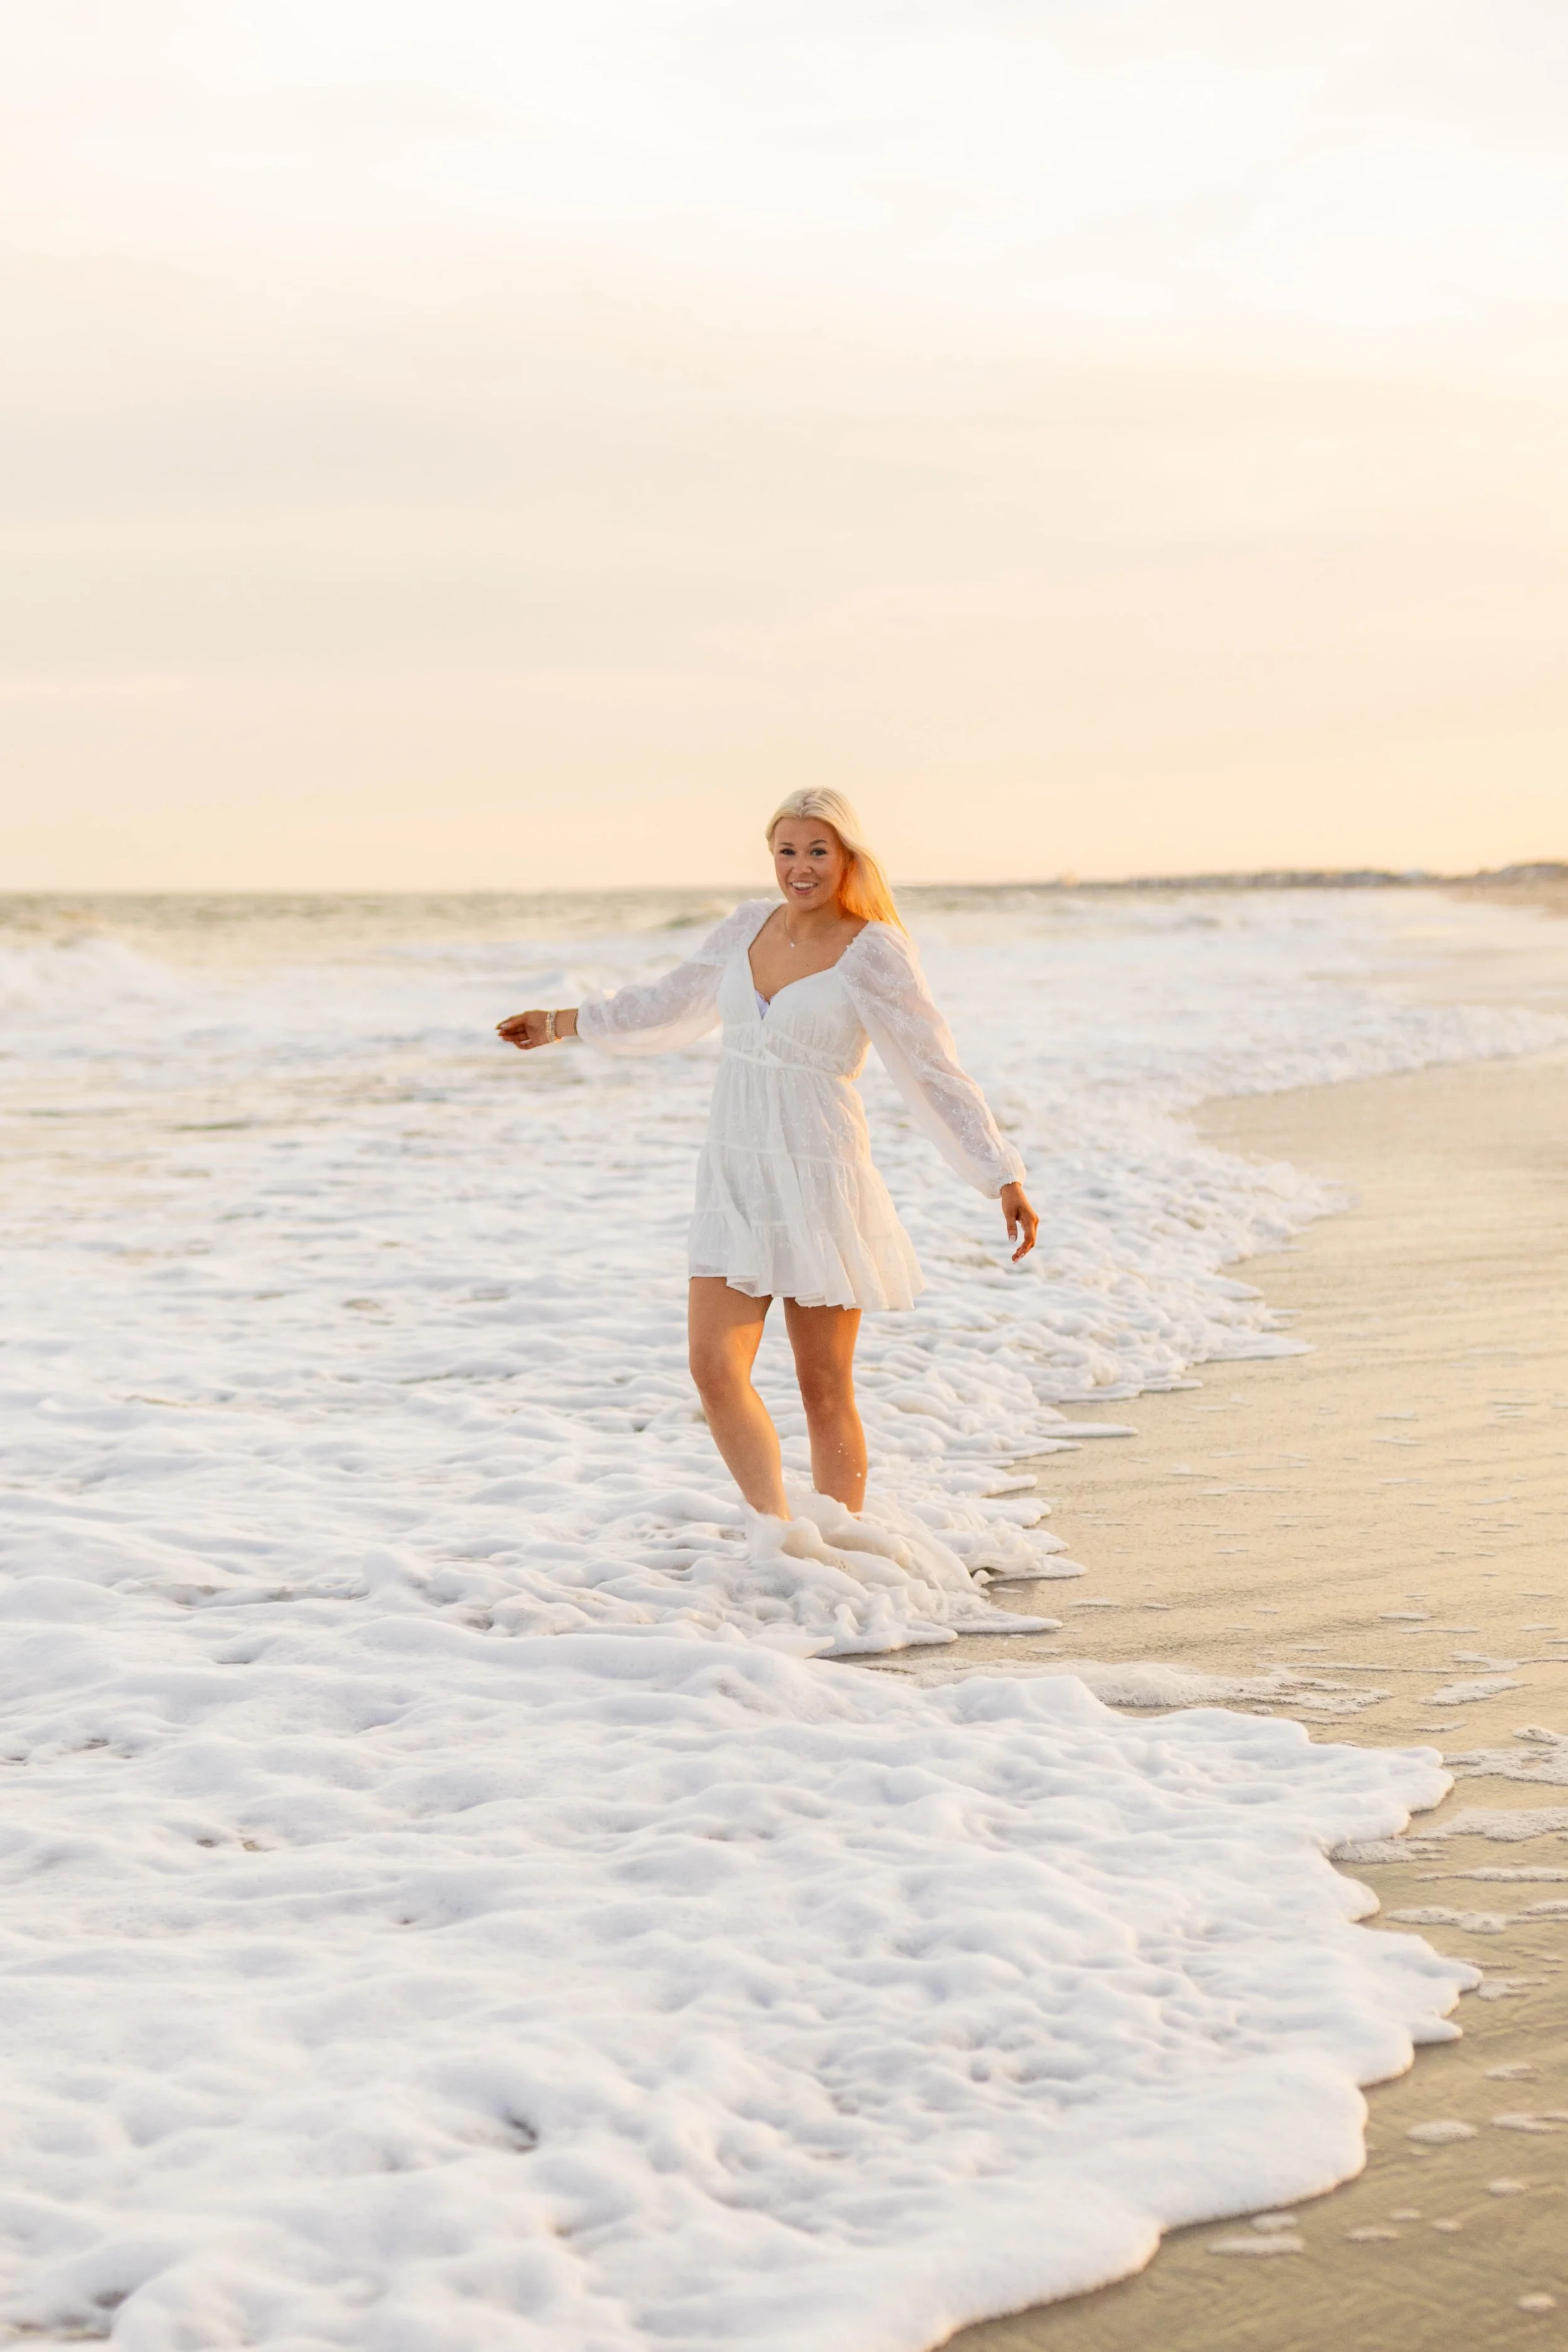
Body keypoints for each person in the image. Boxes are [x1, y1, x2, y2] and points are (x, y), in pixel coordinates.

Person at [497, 789, 1037, 1528]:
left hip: (820, 1174)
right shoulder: (744, 926)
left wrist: (999, 1171)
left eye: (817, 850)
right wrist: (562, 1022)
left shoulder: (872, 948)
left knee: (822, 1385)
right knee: (714, 1369)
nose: (800, 867)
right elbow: (667, 1001)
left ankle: (843, 1548)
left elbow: (933, 1066)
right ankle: (784, 1542)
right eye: (786, 851)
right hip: (736, 1171)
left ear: (847, 856)